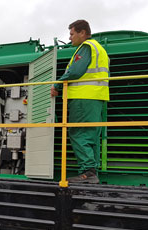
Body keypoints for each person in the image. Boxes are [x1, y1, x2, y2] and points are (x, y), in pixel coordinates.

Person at [51, 20, 109, 183]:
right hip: (96, 98)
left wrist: (57, 85)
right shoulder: (100, 49)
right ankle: (92, 172)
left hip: (83, 97)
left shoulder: (86, 47)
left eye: (71, 34)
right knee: (91, 135)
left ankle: (87, 172)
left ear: (82, 32)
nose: (70, 38)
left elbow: (75, 71)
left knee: (79, 133)